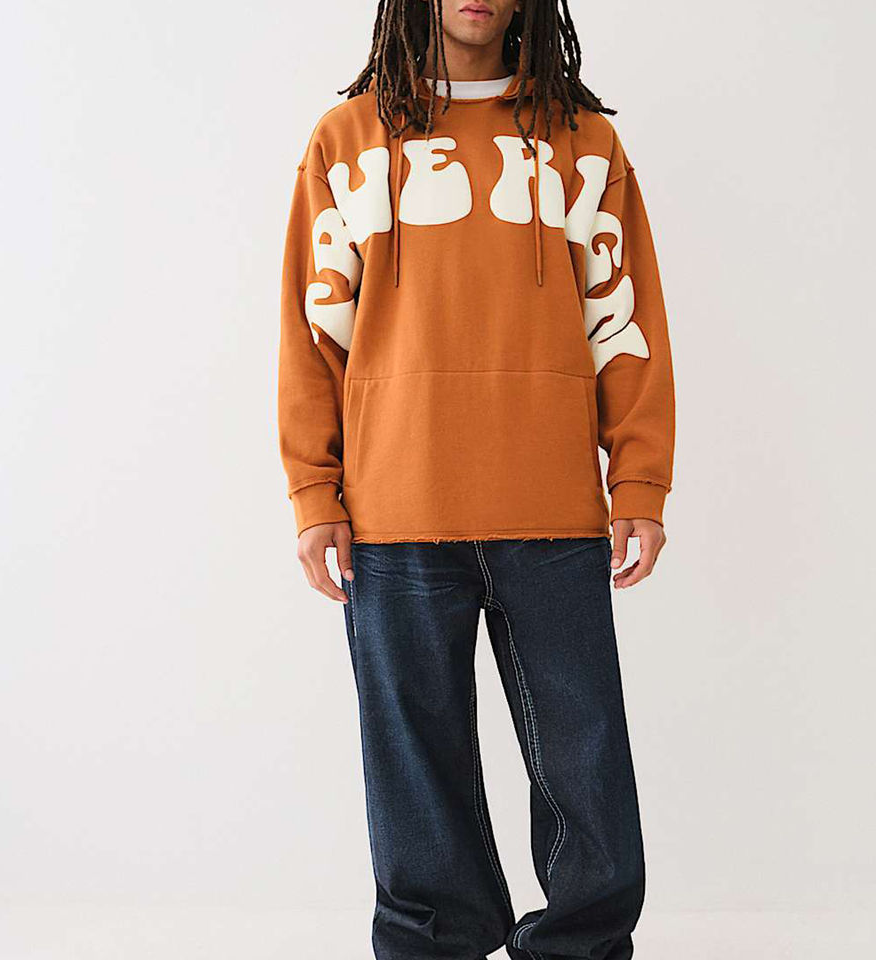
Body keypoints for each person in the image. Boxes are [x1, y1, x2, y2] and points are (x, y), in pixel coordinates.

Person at [277, 2, 674, 958]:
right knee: (415, 777)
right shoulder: (348, 139)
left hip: (554, 510)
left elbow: (625, 319)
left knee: (584, 766)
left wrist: (641, 482)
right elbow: (311, 331)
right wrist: (314, 493)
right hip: (394, 511)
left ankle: (580, 948)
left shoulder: (584, 143)